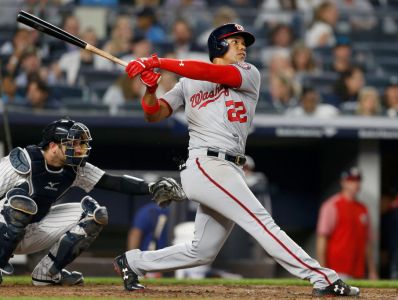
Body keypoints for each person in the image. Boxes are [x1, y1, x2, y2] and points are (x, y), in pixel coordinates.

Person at [113, 23, 360, 297]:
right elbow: (154, 114)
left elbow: (208, 71)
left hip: (228, 167)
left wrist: (158, 61)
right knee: (263, 223)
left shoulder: (248, 73)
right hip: (206, 163)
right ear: (218, 45)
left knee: (202, 251)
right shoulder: (187, 83)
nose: (243, 47)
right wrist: (150, 90)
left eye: (244, 42)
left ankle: (133, 262)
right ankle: (322, 277)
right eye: (236, 41)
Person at [0, 117, 185, 285]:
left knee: (94, 214)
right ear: (53, 146)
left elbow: (114, 182)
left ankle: (47, 274)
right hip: (4, 226)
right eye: (73, 144)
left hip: (32, 232)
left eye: (81, 143)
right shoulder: (23, 162)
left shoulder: (74, 168)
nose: (80, 149)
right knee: (20, 203)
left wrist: (151, 187)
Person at [316, 167, 378, 280]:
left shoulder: (363, 208)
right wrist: (323, 270)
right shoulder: (332, 205)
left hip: (358, 270)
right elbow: (322, 238)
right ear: (343, 182)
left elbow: (367, 242)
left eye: (357, 180)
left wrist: (372, 271)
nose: (355, 184)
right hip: (337, 269)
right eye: (351, 180)